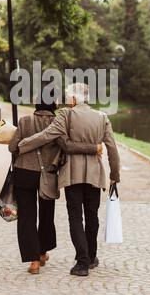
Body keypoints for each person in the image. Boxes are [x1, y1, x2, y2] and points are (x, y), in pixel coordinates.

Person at [18, 83, 120, 277]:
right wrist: (115, 175)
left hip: (72, 174)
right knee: (92, 216)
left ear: (73, 99)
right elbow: (112, 148)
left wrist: (23, 144)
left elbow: (47, 135)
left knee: (76, 217)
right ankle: (91, 257)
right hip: (94, 174)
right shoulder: (102, 117)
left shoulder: (66, 115)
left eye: (67, 98)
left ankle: (82, 262)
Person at [8, 97, 102, 275]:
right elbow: (67, 146)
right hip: (48, 176)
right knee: (46, 214)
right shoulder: (58, 123)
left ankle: (34, 262)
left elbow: (13, 147)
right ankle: (43, 253)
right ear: (53, 105)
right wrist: (93, 148)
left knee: (27, 217)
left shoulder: (24, 121)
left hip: (24, 173)